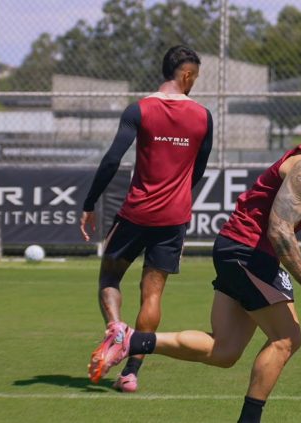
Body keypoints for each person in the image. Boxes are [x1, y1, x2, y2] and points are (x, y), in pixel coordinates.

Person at [87, 93, 301, 422]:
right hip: (245, 250)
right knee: (287, 339)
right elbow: (279, 230)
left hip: (247, 252)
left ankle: (131, 339)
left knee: (224, 351)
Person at [80, 45, 212, 393]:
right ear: (186, 74)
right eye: (195, 77)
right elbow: (199, 169)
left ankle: (116, 329)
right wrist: (178, 194)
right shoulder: (203, 116)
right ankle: (130, 374)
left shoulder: (139, 109)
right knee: (152, 295)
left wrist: (90, 202)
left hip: (136, 213)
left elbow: (112, 159)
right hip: (174, 217)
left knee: (109, 276)